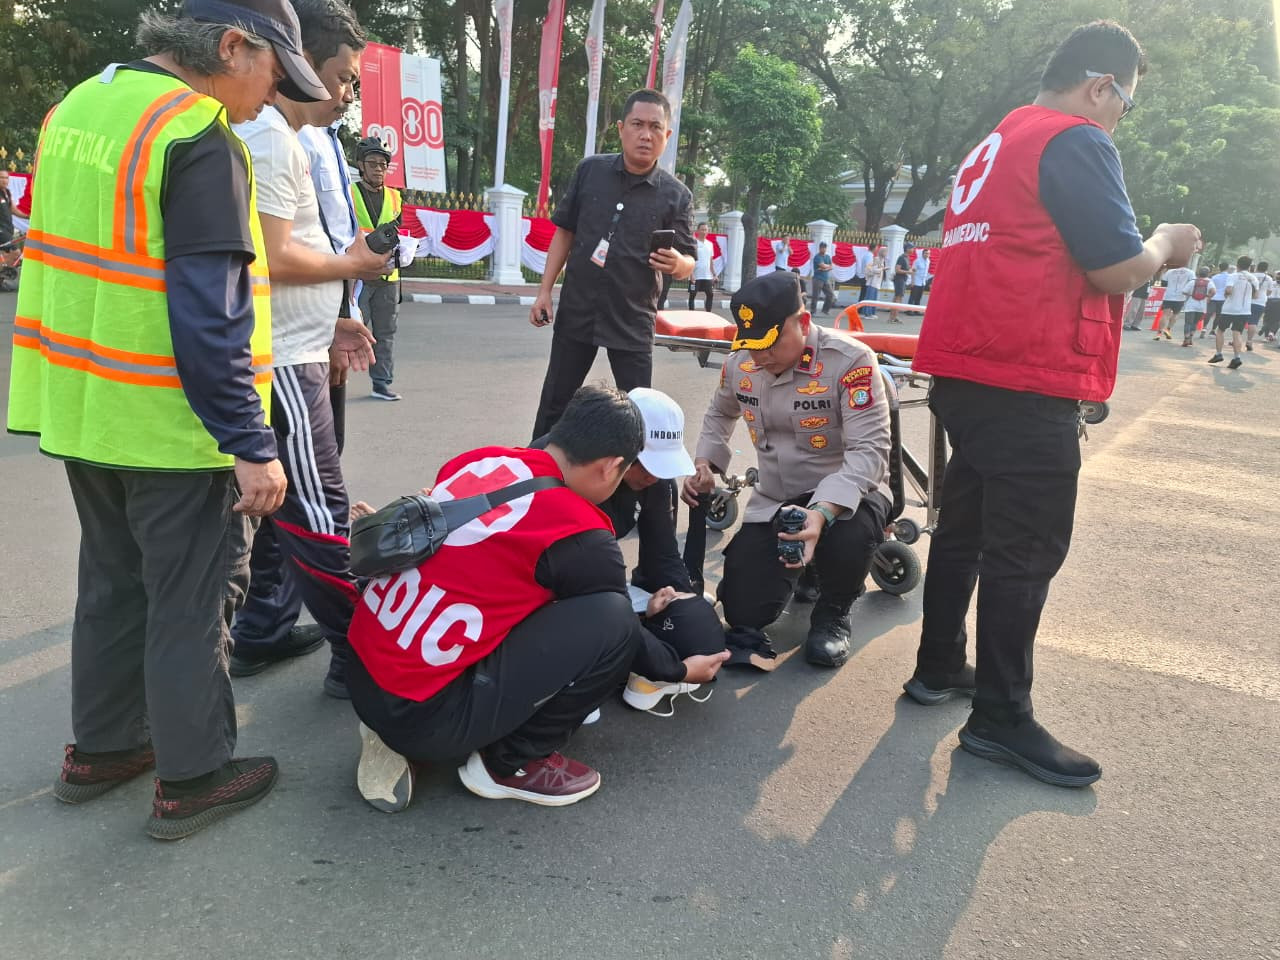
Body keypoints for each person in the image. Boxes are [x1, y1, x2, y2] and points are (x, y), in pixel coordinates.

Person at [5, 0, 331, 839]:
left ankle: (104, 751)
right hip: (171, 423)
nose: (273, 98)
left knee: (112, 585)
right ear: (231, 46)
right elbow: (209, 310)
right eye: (272, 76)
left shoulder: (78, 106)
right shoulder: (197, 136)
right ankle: (193, 779)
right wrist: (250, 442)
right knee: (190, 599)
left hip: (83, 407)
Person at [905, 20, 1201, 788]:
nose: (1119, 121)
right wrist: (1167, 242)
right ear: (1102, 86)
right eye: (1125, 105)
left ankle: (939, 665)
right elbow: (1114, 268)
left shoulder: (997, 141)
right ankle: (1001, 718)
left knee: (964, 529)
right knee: (1023, 554)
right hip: (1025, 374)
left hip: (968, 370)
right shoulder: (1075, 139)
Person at [346, 386, 728, 812]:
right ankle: (510, 763)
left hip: (361, 671)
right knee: (613, 617)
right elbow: (620, 631)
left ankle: (389, 727)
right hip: (425, 717)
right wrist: (678, 669)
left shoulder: (483, 459)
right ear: (612, 467)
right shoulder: (581, 530)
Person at [230, 0, 390, 695]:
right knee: (323, 516)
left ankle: (278, 633)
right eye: (343, 77)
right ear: (299, 67)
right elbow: (267, 255)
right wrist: (353, 270)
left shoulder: (294, 137)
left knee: (309, 510)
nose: (349, 93)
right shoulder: (270, 138)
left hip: (301, 346)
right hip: (284, 365)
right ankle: (361, 659)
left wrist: (334, 320)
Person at [682, 271, 893, 669]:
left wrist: (822, 511)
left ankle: (833, 612)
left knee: (850, 536)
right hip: (777, 498)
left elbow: (870, 451)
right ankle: (804, 572)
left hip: (845, 494)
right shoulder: (740, 364)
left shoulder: (850, 361)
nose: (759, 358)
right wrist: (706, 463)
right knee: (742, 611)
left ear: (804, 322)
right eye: (751, 346)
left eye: (770, 344)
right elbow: (719, 413)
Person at [528, 89, 695, 440]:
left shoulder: (676, 195)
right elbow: (565, 233)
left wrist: (678, 263)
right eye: (637, 124)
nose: (645, 135)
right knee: (556, 402)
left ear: (667, 135)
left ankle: (634, 491)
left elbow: (688, 261)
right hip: (579, 308)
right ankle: (536, 475)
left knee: (638, 412)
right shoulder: (591, 171)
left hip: (632, 316)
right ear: (621, 128)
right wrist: (544, 291)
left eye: (655, 127)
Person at [351, 135, 404, 400]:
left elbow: (400, 232)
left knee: (385, 332)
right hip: (358, 275)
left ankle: (381, 382)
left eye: (383, 164)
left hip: (388, 276)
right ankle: (331, 378)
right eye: (372, 163)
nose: (378, 169)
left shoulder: (395, 197)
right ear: (361, 165)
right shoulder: (349, 193)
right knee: (349, 329)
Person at [1209, 255, 1256, 368]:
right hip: (1244, 310)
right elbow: (1256, 295)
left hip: (1230, 309)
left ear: (1238, 264)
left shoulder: (1233, 276)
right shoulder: (1253, 278)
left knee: (1220, 330)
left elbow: (1229, 290)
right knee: (1237, 333)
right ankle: (1236, 357)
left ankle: (1219, 354)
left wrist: (1226, 294)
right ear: (1249, 266)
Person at [1156, 263, 1193, 340]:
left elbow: (1163, 283)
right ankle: (1168, 329)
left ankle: (1159, 333)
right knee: (1175, 314)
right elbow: (1191, 284)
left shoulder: (1170, 271)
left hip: (1168, 295)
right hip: (1180, 297)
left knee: (1165, 315)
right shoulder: (1190, 272)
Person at [1178, 267, 1214, 346]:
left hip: (1191, 305)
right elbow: (1214, 291)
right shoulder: (1209, 282)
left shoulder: (1192, 282)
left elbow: (1184, 291)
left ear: (1198, 273)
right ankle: (1191, 338)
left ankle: (1186, 339)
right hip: (1201, 306)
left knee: (1188, 323)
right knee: (1195, 323)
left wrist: (1191, 294)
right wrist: (1208, 296)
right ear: (1208, 274)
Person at [688, 222, 716, 311]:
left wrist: (714, 274)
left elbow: (711, 260)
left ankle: (708, 313)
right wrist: (691, 274)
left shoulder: (710, 244)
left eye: (705, 230)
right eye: (702, 229)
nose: (704, 232)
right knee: (692, 295)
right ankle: (691, 313)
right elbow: (690, 259)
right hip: (696, 276)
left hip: (707, 276)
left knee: (710, 294)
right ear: (698, 231)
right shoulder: (694, 243)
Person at [1246, 260, 1271, 349]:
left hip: (1248, 300)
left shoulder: (1251, 276)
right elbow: (1269, 292)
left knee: (1242, 320)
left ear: (1257, 267)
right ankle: (1249, 341)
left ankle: (1236, 340)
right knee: (1253, 322)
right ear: (1266, 269)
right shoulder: (1268, 278)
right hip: (1260, 302)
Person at [1203, 261, 1230, 338]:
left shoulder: (1215, 277)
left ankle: (1204, 328)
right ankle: (1213, 331)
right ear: (1227, 268)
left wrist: (1208, 297)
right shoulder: (1230, 277)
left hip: (1213, 297)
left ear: (1219, 268)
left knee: (1209, 313)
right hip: (1223, 299)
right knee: (1218, 315)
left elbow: (1210, 287)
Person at [889, 241, 912, 322]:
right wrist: (908, 272)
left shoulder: (907, 258)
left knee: (898, 298)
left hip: (903, 279)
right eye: (912, 248)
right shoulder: (901, 257)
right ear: (908, 249)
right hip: (899, 280)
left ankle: (893, 316)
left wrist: (910, 270)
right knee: (898, 298)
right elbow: (897, 270)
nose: (913, 250)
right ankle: (893, 317)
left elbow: (906, 269)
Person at [810, 240, 835, 315]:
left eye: (825, 248)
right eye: (822, 248)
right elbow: (822, 265)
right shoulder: (817, 257)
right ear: (820, 248)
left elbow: (831, 267)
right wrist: (825, 267)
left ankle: (825, 310)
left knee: (830, 294)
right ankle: (813, 311)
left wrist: (824, 268)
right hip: (818, 279)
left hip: (825, 279)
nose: (823, 249)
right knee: (816, 296)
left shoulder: (827, 257)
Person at [862, 245, 887, 318]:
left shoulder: (882, 260)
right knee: (870, 298)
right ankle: (867, 313)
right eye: (885, 251)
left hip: (877, 282)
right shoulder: (876, 259)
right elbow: (872, 269)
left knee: (874, 298)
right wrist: (882, 269)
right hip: (872, 282)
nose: (886, 253)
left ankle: (872, 313)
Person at [0, 170, 14, 246]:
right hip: (1, 230)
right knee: (15, 252)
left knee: (6, 254)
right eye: (1, 177)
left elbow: (13, 208)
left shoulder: (7, 192)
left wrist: (27, 216)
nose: (4, 180)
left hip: (8, 228)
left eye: (6, 178)